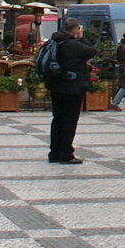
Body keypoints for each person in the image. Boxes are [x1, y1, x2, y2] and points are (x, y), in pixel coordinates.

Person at [46, 18, 97, 165]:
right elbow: (92, 51)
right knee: (69, 121)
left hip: (56, 86)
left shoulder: (55, 41)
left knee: (57, 119)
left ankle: (54, 153)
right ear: (76, 30)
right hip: (72, 88)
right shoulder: (74, 45)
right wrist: (82, 38)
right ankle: (66, 154)